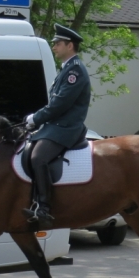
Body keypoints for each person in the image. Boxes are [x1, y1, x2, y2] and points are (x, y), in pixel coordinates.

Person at [23, 23, 91, 228]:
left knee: (38, 157)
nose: (54, 47)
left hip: (66, 126)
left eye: (58, 44)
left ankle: (44, 206)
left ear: (70, 46)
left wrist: (36, 118)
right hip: (56, 125)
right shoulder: (67, 69)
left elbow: (60, 104)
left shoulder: (75, 71)